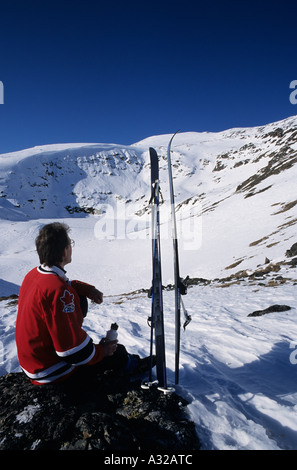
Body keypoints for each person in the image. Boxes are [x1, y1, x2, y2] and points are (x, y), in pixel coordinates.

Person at [15, 222, 152, 386]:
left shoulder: (33, 275)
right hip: (51, 370)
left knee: (79, 304)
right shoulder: (59, 292)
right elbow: (72, 353)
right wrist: (102, 351)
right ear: (65, 251)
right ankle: (134, 368)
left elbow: (64, 284)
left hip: (33, 361)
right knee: (117, 353)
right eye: (70, 243)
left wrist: (88, 289)